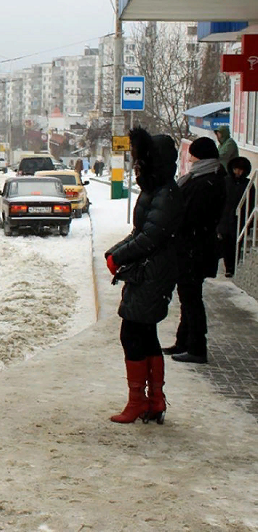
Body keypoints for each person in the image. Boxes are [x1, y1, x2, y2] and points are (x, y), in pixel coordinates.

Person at [105, 127, 184, 424]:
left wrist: (120, 255)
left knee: (133, 334)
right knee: (145, 335)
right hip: (148, 271)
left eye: (141, 161)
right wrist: (114, 252)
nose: (137, 166)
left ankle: (139, 401)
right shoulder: (157, 190)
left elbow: (151, 236)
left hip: (154, 273)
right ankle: (154, 401)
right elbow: (140, 232)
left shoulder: (166, 194)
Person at [162, 137, 227, 364]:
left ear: (199, 156)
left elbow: (192, 217)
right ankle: (184, 341)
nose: (189, 157)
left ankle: (197, 348)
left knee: (191, 299)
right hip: (193, 248)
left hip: (194, 249)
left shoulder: (206, 182)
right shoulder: (206, 178)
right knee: (188, 296)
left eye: (192, 153)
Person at [217, 157, 252, 278]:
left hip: (239, 218)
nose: (238, 172)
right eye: (236, 169)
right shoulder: (226, 181)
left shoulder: (248, 184)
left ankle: (234, 266)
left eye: (241, 170)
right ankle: (229, 268)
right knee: (226, 243)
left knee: (236, 242)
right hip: (225, 217)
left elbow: (251, 203)